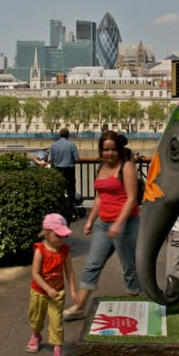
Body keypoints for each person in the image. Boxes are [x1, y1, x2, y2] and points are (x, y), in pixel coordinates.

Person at [63, 131, 141, 321]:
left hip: (126, 223)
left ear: (119, 150)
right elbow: (99, 198)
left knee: (129, 266)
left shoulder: (127, 167)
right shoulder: (101, 168)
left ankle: (135, 300)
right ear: (101, 150)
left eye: (113, 149)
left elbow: (131, 199)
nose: (109, 153)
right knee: (92, 265)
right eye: (106, 149)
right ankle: (80, 306)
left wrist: (119, 223)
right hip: (103, 223)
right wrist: (90, 221)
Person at [27, 213, 79, 356]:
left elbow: (69, 271)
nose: (62, 239)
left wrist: (72, 289)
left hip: (58, 293)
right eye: (59, 235)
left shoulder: (64, 250)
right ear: (48, 233)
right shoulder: (40, 250)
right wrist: (47, 288)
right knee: (36, 318)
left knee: (57, 323)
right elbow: (35, 274)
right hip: (39, 292)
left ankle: (57, 354)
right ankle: (36, 335)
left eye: (64, 236)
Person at [47, 128, 79, 222]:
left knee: (58, 190)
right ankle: (70, 212)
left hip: (57, 170)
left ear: (59, 135)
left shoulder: (53, 145)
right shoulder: (71, 145)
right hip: (69, 169)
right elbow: (77, 159)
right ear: (68, 135)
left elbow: (49, 160)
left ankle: (58, 212)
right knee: (71, 191)